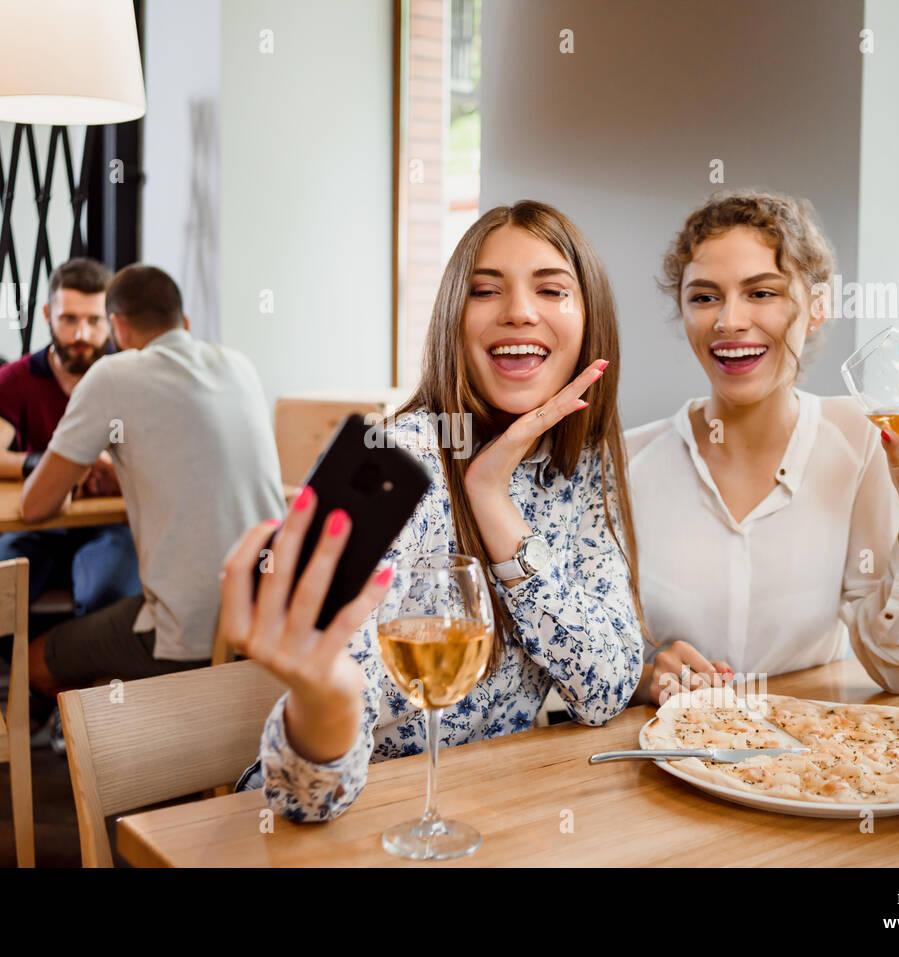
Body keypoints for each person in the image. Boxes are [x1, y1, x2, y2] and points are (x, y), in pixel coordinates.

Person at [222, 200, 644, 822]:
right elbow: (301, 799)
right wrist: (325, 698)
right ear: (454, 317)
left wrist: (491, 497)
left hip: (486, 818)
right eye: (484, 290)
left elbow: (605, 689)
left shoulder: (583, 461)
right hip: (361, 822)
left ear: (590, 321)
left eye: (551, 289)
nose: (519, 311)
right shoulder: (395, 463)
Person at [625, 190, 899, 703]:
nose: (729, 321)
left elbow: (897, 668)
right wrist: (645, 678)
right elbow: (584, 667)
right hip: (661, 763)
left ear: (819, 306)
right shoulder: (629, 462)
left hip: (804, 767)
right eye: (704, 296)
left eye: (762, 293)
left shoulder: (862, 441)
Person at [18, 264, 284, 697]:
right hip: (269, 614)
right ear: (185, 324)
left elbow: (36, 505)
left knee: (34, 662)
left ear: (117, 329)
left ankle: (116, 749)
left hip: (187, 632)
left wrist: (84, 468)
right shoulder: (240, 365)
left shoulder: (113, 374)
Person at [0, 258, 139, 616]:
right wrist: (53, 466)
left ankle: (66, 665)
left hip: (110, 529)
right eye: (69, 319)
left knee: (110, 595)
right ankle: (38, 669)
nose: (82, 335)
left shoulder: (132, 375)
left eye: (94, 320)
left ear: (112, 321)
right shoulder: (16, 378)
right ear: (47, 314)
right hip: (37, 523)